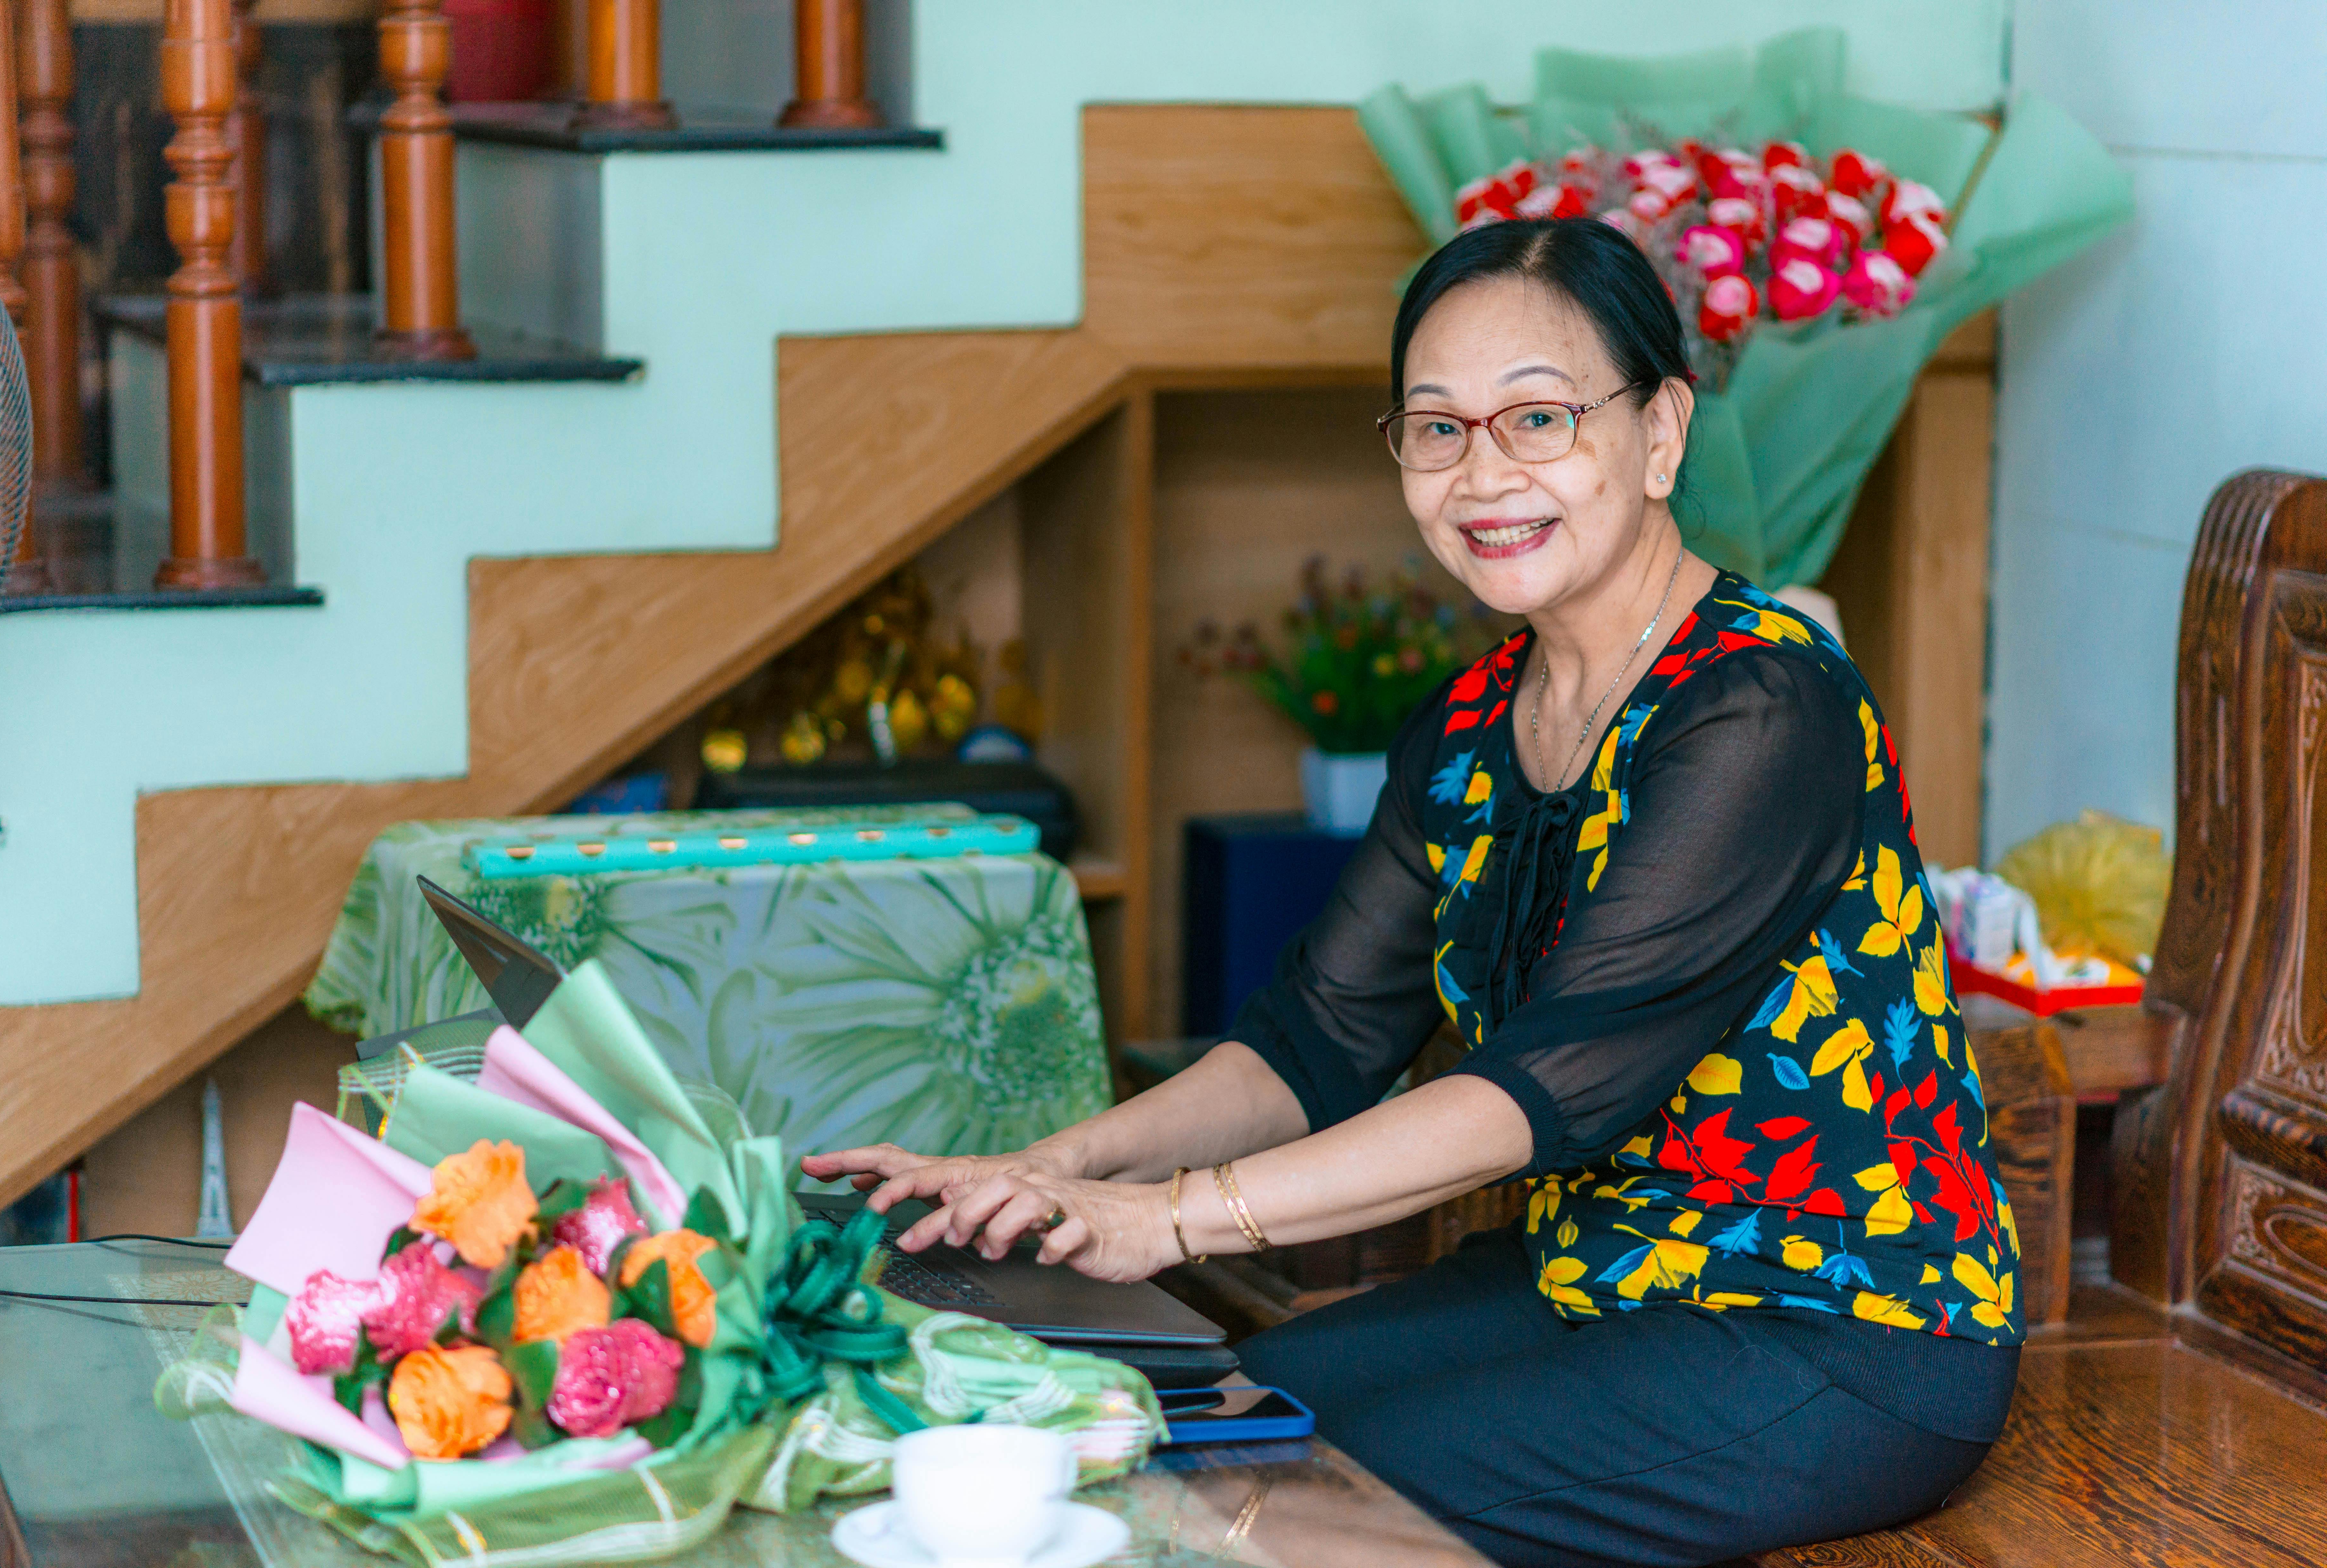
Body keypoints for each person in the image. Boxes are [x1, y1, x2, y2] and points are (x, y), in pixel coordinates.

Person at [804, 217, 2021, 1568]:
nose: (1482, 473)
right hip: (1589, 1281)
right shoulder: (1467, 728)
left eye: (1539, 419)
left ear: (1660, 432)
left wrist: (1169, 1218)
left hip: (1834, 1329)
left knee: (1253, 1511)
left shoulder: (1760, 702)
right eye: (1437, 430)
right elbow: (1315, 1038)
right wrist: (1051, 1168)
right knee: (1161, 1424)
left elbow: (1539, 1091)